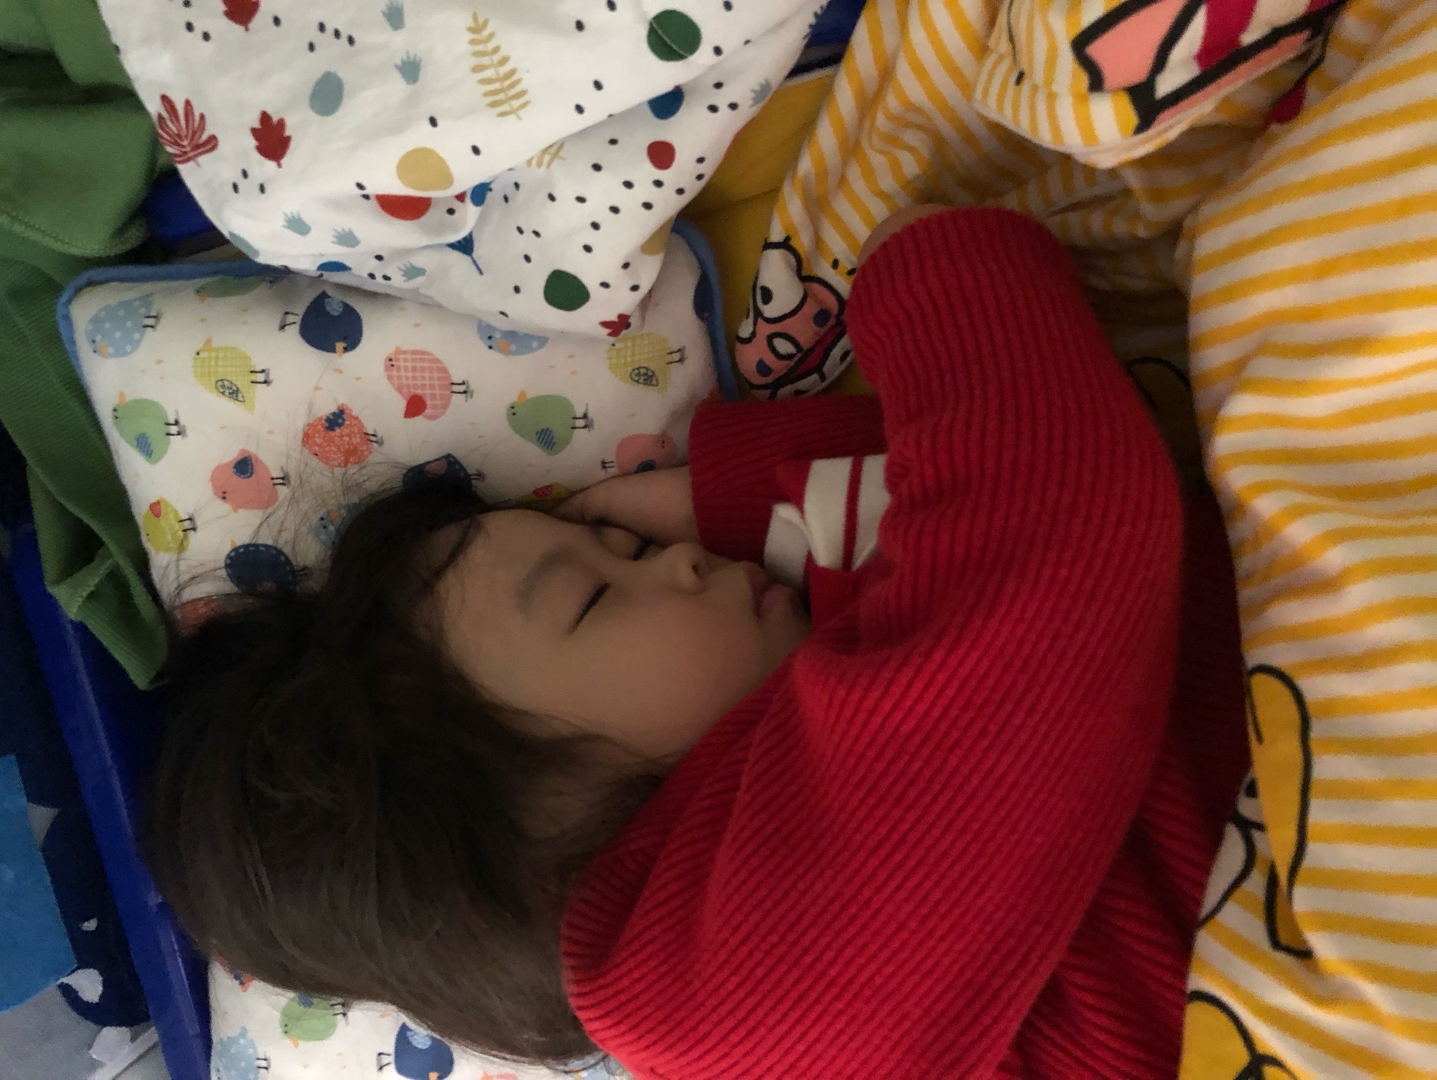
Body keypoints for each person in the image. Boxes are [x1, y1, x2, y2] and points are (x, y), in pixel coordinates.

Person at [146, 207, 1250, 1078]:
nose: (670, 558)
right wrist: (936, 266)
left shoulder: (771, 756)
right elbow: (1062, 501)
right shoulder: (724, 984)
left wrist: (737, 497)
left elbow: (959, 511)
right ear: (533, 842)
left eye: (619, 546)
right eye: (594, 594)